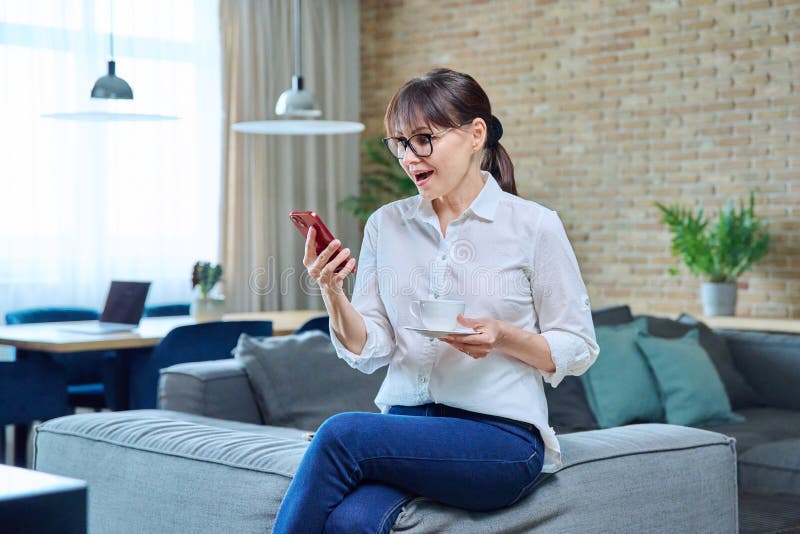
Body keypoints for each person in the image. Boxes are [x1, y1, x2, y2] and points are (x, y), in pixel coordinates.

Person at [272, 68, 599, 534]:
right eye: (400, 143)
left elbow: (578, 345)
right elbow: (373, 346)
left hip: (499, 438)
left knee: (340, 434)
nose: (409, 156)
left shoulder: (534, 226)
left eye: (423, 139)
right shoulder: (386, 225)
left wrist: (503, 336)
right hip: (407, 426)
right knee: (353, 520)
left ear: (474, 134)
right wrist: (331, 290)